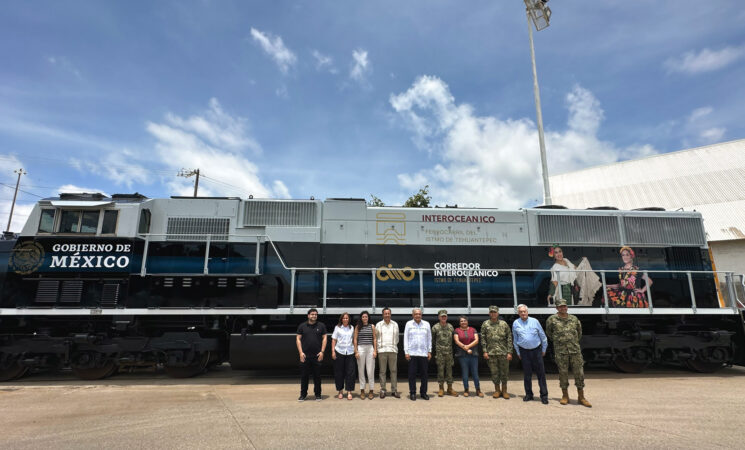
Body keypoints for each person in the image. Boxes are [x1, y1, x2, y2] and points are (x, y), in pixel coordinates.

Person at [546, 299, 592, 407]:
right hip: (561, 351)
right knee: (563, 373)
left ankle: (581, 397)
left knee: (579, 373)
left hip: (575, 350)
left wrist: (572, 342)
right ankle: (565, 396)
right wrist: (560, 342)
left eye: (565, 306)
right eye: (561, 306)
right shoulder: (552, 320)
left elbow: (579, 333)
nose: (563, 308)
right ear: (557, 308)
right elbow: (549, 333)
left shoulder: (574, 319)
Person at [512, 304, 549, 404]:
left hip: (536, 351)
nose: (523, 313)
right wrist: (518, 352)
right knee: (527, 375)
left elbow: (543, 336)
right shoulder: (515, 323)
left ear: (527, 312)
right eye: (521, 312)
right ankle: (529, 394)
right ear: (518, 313)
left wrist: (544, 349)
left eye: (524, 311)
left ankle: (544, 396)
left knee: (541, 374)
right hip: (524, 352)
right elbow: (515, 340)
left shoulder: (535, 321)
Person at [480, 305, 512, 399]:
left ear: (498, 313)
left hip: (503, 352)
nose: (493, 314)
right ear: (489, 313)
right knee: (494, 372)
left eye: (495, 312)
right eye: (491, 312)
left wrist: (509, 352)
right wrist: (485, 351)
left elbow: (509, 338)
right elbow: (483, 339)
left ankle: (505, 391)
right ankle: (497, 390)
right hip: (491, 352)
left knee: (504, 372)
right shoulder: (485, 324)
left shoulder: (504, 324)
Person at [296, 308, 327, 401]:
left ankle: (318, 395)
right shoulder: (302, 326)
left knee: (317, 377)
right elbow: (298, 339)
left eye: (316, 314)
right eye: (312, 314)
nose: (314, 316)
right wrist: (301, 353)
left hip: (317, 356)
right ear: (308, 315)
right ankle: (303, 395)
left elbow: (325, 338)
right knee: (304, 377)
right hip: (305, 356)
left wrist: (322, 352)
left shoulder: (321, 326)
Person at [404, 308, 432, 401]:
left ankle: (423, 393)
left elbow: (429, 338)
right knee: (412, 375)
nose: (418, 315)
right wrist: (406, 352)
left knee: (424, 375)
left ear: (421, 315)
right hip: (412, 353)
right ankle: (412, 392)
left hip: (423, 353)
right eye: (416, 314)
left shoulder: (426, 324)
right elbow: (406, 338)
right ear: (413, 315)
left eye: (419, 314)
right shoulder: (408, 324)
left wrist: (429, 351)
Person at [454, 315, 482, 397]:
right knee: (465, 373)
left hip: (473, 354)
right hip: (462, 355)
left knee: (475, 373)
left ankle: (478, 389)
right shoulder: (457, 330)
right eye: (461, 321)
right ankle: (466, 389)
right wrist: (466, 349)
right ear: (459, 323)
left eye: (464, 321)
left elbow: (476, 340)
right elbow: (456, 341)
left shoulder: (473, 329)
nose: (463, 322)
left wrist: (468, 347)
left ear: (467, 321)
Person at [432, 309, 458, 397]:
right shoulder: (435, 327)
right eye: (442, 316)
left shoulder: (450, 327)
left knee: (449, 371)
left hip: (449, 352)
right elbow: (432, 340)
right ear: (439, 317)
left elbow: (453, 341)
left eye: (445, 316)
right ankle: (441, 388)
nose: (443, 317)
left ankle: (450, 388)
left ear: (446, 317)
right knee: (440, 371)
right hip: (439, 353)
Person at [375, 307, 400, 399]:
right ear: (383, 315)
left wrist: (393, 345)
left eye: (388, 313)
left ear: (390, 314)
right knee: (382, 371)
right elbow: (376, 337)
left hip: (393, 350)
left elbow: (397, 337)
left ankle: (394, 390)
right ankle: (383, 390)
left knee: (393, 371)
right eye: (385, 313)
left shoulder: (395, 324)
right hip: (382, 350)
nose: (387, 315)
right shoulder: (378, 325)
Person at [354, 310, 377, 399]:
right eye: (363, 317)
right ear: (361, 318)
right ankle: (362, 390)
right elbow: (355, 339)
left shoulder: (372, 326)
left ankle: (371, 391)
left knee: (370, 370)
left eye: (366, 317)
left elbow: (374, 339)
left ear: (368, 318)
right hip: (361, 348)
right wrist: (356, 351)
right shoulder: (357, 327)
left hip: (370, 348)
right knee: (361, 370)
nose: (364, 318)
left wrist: (375, 351)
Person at [332, 312, 355, 400]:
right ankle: (340, 391)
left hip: (350, 352)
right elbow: (334, 340)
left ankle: (349, 391)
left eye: (347, 318)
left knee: (350, 372)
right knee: (339, 372)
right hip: (339, 351)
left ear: (349, 319)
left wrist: (355, 350)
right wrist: (333, 351)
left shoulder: (352, 328)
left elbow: (354, 340)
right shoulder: (337, 328)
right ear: (341, 319)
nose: (345, 319)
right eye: (344, 318)